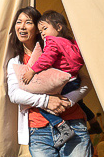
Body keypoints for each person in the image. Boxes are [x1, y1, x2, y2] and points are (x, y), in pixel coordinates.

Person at [6, 6, 93, 157]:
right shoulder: (15, 62)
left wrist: (69, 100)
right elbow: (14, 95)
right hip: (38, 132)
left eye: (28, 22)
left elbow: (85, 81)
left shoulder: (57, 49)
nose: (22, 27)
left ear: (37, 27)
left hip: (72, 124)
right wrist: (47, 101)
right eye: (18, 22)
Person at [20, 10, 87, 147]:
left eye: (45, 29)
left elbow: (46, 58)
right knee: (70, 103)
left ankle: (62, 127)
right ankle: (91, 119)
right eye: (41, 31)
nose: (43, 33)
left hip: (63, 82)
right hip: (74, 81)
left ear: (58, 27)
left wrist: (32, 71)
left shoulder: (52, 41)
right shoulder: (72, 42)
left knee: (44, 106)